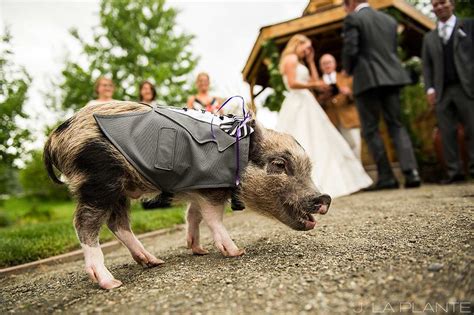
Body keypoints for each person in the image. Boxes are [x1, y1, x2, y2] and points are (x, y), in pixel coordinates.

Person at [276, 34, 372, 198]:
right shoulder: (290, 58)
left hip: (308, 100)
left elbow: (314, 79)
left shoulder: (301, 62)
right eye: (306, 47)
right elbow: (293, 83)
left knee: (321, 137)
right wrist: (315, 84)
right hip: (297, 102)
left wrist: (312, 61)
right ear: (297, 44)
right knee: (302, 136)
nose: (308, 51)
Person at [342, 0, 421, 190]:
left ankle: (387, 177)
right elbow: (391, 51)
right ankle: (411, 173)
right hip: (392, 77)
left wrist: (348, 69)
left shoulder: (352, 18)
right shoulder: (389, 20)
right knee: (396, 125)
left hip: (367, 80)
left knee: (370, 129)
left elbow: (351, 49)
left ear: (350, 3)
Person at [422, 0, 474, 184]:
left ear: (451, 4)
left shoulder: (469, 25)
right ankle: (454, 172)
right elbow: (427, 66)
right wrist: (429, 88)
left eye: (442, 2)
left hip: (466, 86)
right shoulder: (429, 38)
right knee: (446, 132)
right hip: (442, 90)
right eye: (435, 5)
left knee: (472, 127)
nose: (439, 7)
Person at [317, 53, 362, 161]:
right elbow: (313, 103)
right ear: (320, 67)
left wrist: (348, 93)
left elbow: (358, 97)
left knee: (355, 147)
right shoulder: (317, 83)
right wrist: (323, 98)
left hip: (349, 119)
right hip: (330, 122)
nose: (327, 65)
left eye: (329, 62)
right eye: (324, 63)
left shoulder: (346, 78)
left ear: (335, 64)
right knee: (337, 152)